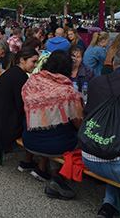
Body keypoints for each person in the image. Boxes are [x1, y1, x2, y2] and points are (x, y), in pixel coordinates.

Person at [21, 50, 83, 199]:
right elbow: (78, 124)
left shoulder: (33, 81)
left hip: (29, 141)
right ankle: (59, 178)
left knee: (53, 129)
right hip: (58, 147)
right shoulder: (68, 92)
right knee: (74, 136)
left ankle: (49, 172)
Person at [82, 45, 120, 218]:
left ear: (114, 64)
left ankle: (109, 205)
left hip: (90, 157)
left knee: (113, 144)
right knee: (116, 150)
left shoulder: (96, 82)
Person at [0, 48, 39, 167]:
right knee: (37, 125)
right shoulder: (20, 76)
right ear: (22, 60)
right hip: (5, 123)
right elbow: (21, 105)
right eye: (33, 62)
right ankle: (31, 161)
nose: (35, 65)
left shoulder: (12, 72)